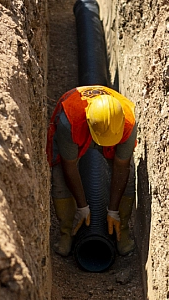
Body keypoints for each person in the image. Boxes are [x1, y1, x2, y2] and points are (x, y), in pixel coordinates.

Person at [47, 85, 137, 257]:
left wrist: (113, 210)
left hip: (109, 128)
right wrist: (82, 206)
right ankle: (67, 232)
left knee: (129, 177)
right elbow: (70, 165)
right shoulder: (70, 121)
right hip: (78, 124)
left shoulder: (128, 123)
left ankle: (121, 229)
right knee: (59, 177)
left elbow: (121, 166)